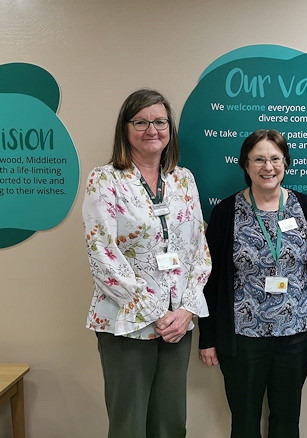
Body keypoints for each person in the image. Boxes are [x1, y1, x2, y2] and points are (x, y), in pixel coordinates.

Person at [82, 88, 211, 438]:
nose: (151, 129)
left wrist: (186, 310)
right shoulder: (105, 179)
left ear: (170, 128)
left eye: (159, 121)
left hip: (177, 325)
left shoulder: (183, 180)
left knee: (171, 423)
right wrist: (156, 311)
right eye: (140, 121)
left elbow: (200, 248)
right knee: (129, 425)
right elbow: (102, 253)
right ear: (125, 129)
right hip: (127, 323)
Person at [198, 129, 307, 438]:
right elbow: (210, 278)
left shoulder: (303, 206)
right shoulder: (226, 212)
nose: (268, 167)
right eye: (258, 159)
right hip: (243, 336)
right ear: (245, 165)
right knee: (244, 420)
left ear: (285, 163)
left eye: (275, 159)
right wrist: (208, 335)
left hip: (296, 333)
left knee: (286, 419)